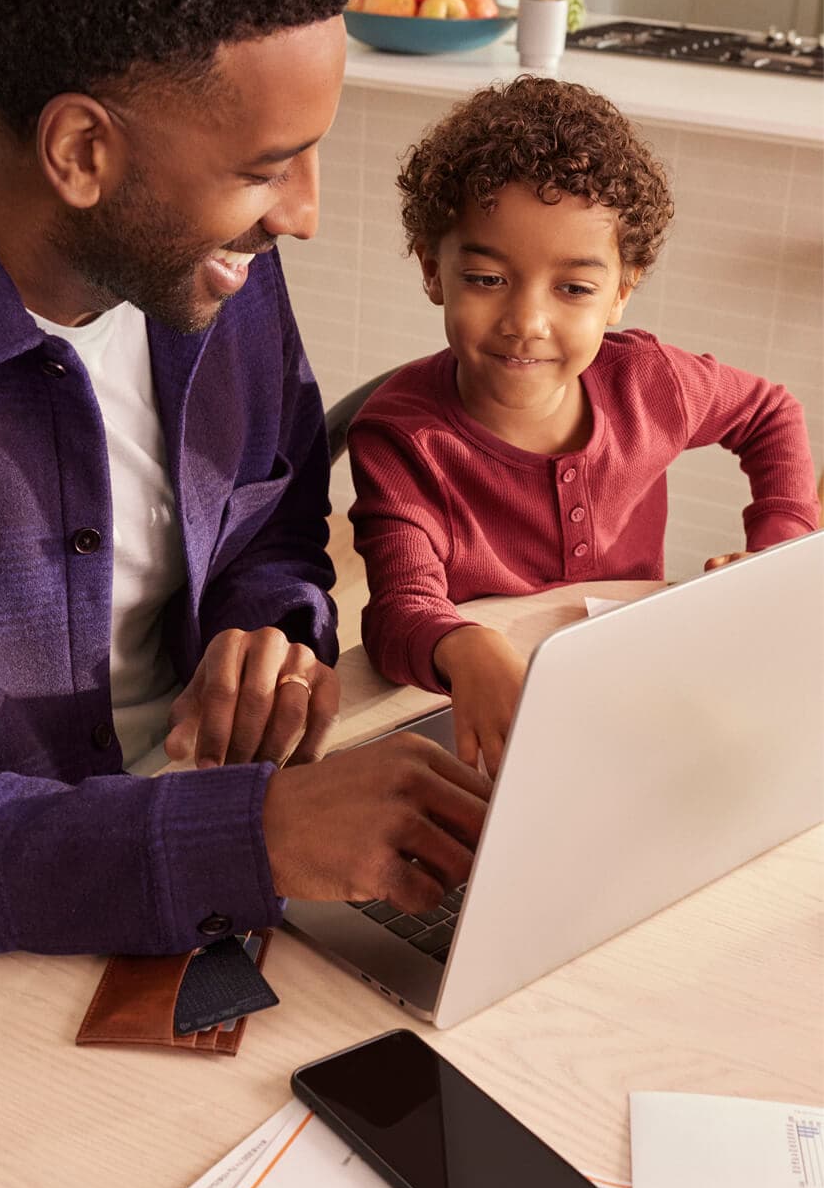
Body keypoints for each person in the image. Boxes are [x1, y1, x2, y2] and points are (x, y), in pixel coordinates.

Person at [0, 0, 490, 1034]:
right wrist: (246, 835)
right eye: (266, 171)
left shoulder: (209, 267)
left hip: (243, 882)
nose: (303, 217)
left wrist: (263, 630)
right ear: (82, 152)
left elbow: (274, 522)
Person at [348, 76, 819, 780]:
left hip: (626, 684)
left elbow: (767, 411)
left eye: (572, 288)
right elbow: (398, 611)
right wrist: (459, 644)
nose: (526, 322)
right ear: (431, 269)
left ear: (620, 291)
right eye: (485, 278)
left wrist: (778, 550)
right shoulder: (400, 438)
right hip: (478, 709)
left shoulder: (647, 383)